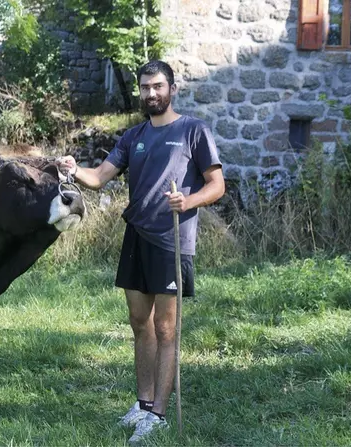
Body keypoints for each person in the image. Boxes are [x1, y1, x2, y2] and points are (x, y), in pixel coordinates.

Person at [59, 60, 225, 443]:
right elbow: (99, 178)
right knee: (139, 323)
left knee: (167, 329)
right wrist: (72, 168)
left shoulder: (193, 131)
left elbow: (217, 185)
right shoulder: (133, 135)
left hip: (172, 240)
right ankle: (143, 404)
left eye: (158, 86)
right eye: (145, 87)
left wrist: (189, 200)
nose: (151, 93)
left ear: (172, 88)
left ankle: (160, 416)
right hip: (136, 236)